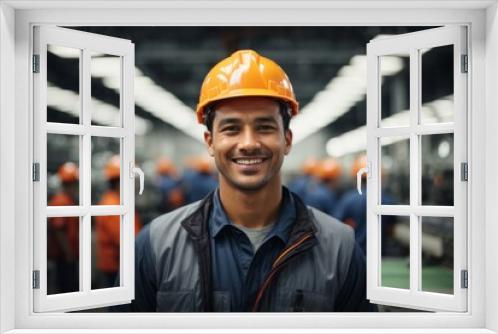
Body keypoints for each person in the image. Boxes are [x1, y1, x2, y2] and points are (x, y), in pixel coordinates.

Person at [127, 50, 373, 312]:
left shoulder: (340, 249)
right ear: (210, 142)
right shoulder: (155, 245)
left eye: (264, 127)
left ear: (287, 140)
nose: (248, 143)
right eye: (231, 128)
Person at [95, 155, 142, 288]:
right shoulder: (114, 205)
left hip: (118, 263)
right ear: (119, 182)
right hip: (116, 266)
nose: (135, 184)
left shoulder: (117, 201)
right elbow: (124, 240)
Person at [47, 162, 80, 294]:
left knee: (69, 287)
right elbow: (59, 231)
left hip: (68, 254)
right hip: (64, 256)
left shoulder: (67, 199)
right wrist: (68, 254)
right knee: (65, 288)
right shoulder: (61, 201)